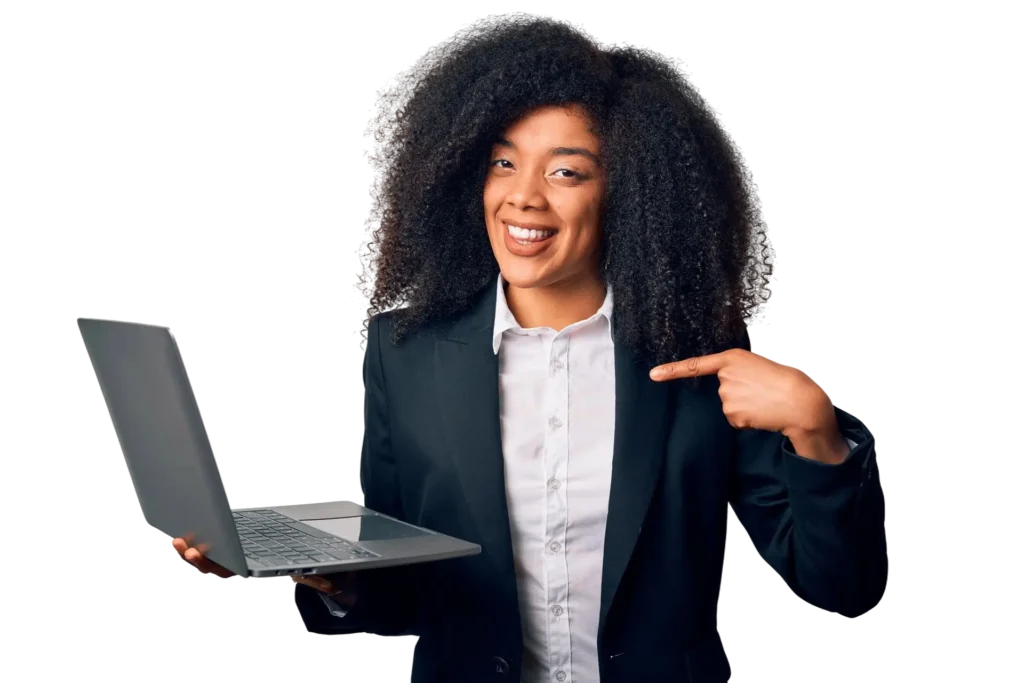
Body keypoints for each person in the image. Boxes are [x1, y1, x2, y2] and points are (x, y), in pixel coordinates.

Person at [172, 14, 886, 683]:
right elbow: (404, 595)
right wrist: (319, 572)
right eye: (503, 163)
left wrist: (817, 435)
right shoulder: (408, 350)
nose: (523, 198)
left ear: (628, 195)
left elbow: (843, 590)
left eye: (566, 171)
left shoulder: (702, 360)